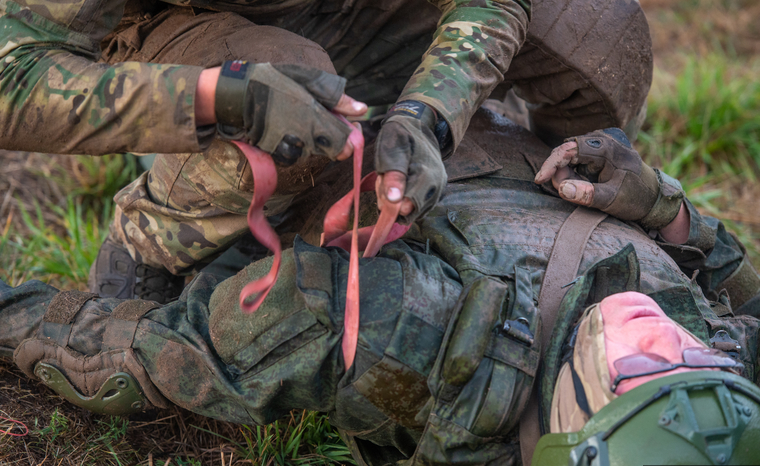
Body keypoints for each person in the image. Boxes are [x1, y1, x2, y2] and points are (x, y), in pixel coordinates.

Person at [4, 111, 759, 466]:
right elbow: (740, 299)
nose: (667, 334)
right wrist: (667, 211)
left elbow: (147, 356)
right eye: (706, 359)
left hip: (343, 135)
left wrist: (17, 316)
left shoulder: (425, 341)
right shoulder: (713, 405)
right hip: (523, 125)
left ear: (576, 425)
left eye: (644, 369)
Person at [0, 0, 654, 302]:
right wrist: (215, 97)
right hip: (190, 30)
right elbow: (12, 78)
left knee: (600, 34)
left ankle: (518, 177)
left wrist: (432, 112)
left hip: (365, 13)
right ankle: (151, 235)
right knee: (283, 94)